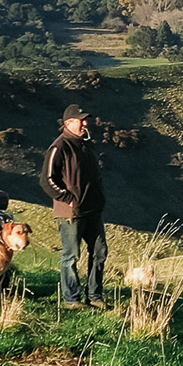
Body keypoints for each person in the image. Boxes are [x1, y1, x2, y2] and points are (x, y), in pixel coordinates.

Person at [40, 103, 108, 309]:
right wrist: (67, 198)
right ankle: (72, 299)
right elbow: (46, 179)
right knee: (72, 255)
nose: (85, 123)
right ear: (69, 123)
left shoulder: (85, 145)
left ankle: (95, 296)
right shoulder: (59, 147)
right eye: (81, 120)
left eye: (85, 120)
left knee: (100, 252)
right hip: (72, 212)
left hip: (93, 209)